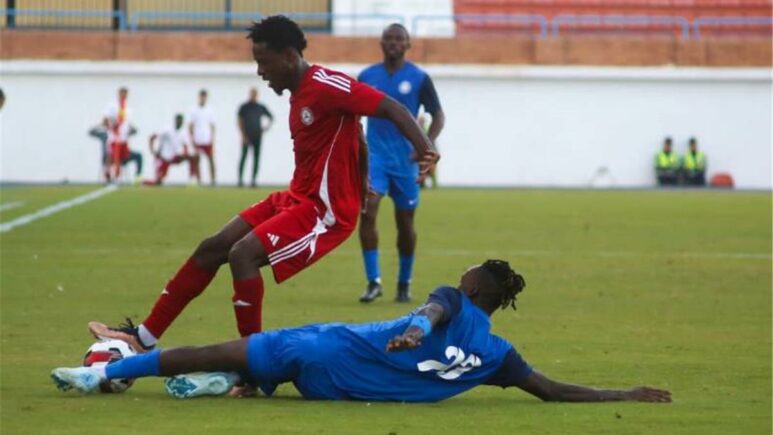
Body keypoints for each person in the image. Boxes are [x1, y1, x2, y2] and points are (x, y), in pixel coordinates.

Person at [88, 16, 438, 368]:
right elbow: (357, 136)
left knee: (243, 255)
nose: (260, 72)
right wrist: (363, 179)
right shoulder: (301, 92)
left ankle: (249, 366)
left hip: (324, 212)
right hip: (295, 197)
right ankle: (143, 338)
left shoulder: (327, 84)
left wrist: (425, 148)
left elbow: (392, 108)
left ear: (288, 56)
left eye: (264, 62)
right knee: (212, 248)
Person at [53, 260, 672, 404]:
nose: (461, 274)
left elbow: (425, 316)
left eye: (470, 272)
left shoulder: (451, 300)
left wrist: (410, 329)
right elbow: (551, 389)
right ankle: (234, 382)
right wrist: (622, 395)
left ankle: (104, 370)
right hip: (337, 391)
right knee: (243, 368)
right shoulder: (501, 356)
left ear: (477, 288)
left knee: (201, 350)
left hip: (322, 346)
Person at [357, 23, 446, 304]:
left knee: (405, 221)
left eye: (399, 39)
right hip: (375, 158)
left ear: (407, 45)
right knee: (368, 211)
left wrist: (425, 146)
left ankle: (404, 283)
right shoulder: (367, 76)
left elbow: (438, 115)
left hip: (405, 159)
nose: (393, 43)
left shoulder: (419, 78)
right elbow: (353, 115)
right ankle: (373, 281)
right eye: (388, 38)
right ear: (381, 43)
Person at [143, 114, 200, 186]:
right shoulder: (167, 130)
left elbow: (185, 146)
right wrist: (152, 150)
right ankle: (142, 182)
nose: (179, 123)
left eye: (181, 121)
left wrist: (185, 153)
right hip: (164, 158)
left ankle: (192, 179)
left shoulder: (183, 132)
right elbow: (152, 137)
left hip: (175, 156)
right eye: (178, 121)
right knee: (158, 182)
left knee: (194, 157)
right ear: (175, 121)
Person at [237, 87, 274, 187]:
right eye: (252, 93)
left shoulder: (260, 107)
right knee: (244, 157)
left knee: (256, 158)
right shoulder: (244, 107)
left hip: (257, 136)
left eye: (255, 94)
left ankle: (253, 180)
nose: (253, 96)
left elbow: (271, 117)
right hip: (246, 135)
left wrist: (265, 128)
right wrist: (243, 135)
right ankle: (240, 180)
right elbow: (240, 121)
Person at [104, 87, 140, 183]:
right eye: (122, 93)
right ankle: (108, 172)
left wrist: (131, 130)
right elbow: (106, 119)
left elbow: (127, 122)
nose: (124, 95)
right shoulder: (112, 106)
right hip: (114, 135)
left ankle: (117, 175)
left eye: (125, 94)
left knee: (121, 156)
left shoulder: (128, 108)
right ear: (118, 94)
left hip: (123, 137)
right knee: (111, 155)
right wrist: (111, 126)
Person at [189, 89, 217, 186]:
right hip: (197, 139)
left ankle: (213, 180)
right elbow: (191, 125)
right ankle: (199, 180)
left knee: (211, 159)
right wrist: (192, 139)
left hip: (207, 139)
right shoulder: (194, 110)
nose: (203, 98)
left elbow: (212, 125)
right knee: (197, 160)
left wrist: (212, 138)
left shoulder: (210, 110)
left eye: (204, 97)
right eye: (201, 96)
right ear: (199, 97)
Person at [417, 113, 438, 189]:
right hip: (420, 154)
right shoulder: (415, 129)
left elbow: (432, 141)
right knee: (421, 170)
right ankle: (422, 185)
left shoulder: (428, 129)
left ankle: (434, 186)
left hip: (430, 152)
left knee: (432, 170)